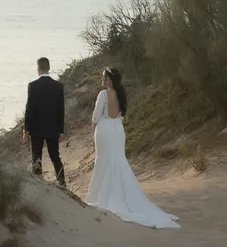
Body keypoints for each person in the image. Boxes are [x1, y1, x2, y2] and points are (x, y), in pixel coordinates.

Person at [86, 67, 180, 229]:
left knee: (103, 161)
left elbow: (96, 116)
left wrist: (94, 128)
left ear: (110, 79)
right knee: (118, 160)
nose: (103, 79)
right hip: (117, 130)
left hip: (105, 130)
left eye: (105, 77)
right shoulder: (121, 94)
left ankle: (101, 196)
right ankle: (121, 195)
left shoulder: (103, 94)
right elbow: (121, 115)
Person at [23, 57, 66, 187]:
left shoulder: (33, 86)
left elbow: (29, 109)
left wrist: (26, 130)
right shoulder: (58, 86)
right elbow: (61, 109)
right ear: (49, 68)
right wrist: (61, 130)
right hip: (53, 128)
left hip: (36, 129)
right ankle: (62, 183)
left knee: (36, 157)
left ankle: (38, 184)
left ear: (39, 69)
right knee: (55, 157)